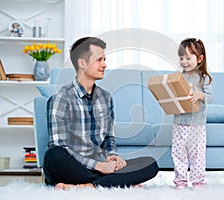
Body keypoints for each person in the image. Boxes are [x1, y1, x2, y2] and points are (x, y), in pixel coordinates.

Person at [43, 37, 159, 190]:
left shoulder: (106, 97)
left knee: (151, 164)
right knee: (54, 155)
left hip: (98, 167)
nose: (104, 64)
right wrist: (98, 166)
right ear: (82, 63)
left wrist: (112, 155)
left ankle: (89, 186)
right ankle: (117, 183)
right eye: (99, 60)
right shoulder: (61, 99)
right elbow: (60, 146)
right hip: (73, 166)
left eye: (104, 59)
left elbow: (108, 137)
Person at [172, 38, 213, 190]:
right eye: (181, 58)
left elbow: (210, 97)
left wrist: (200, 95)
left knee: (197, 154)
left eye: (188, 58)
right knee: (179, 153)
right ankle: (180, 181)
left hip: (197, 124)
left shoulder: (204, 78)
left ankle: (198, 181)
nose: (184, 61)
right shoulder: (178, 77)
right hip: (180, 122)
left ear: (199, 59)